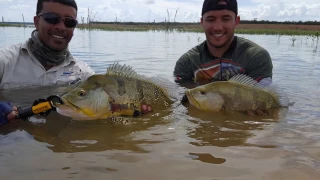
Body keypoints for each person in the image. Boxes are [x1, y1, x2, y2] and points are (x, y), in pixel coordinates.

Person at [0, 0, 95, 125]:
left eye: (69, 22)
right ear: (36, 22)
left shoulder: (84, 74)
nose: (61, 27)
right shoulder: (4, 61)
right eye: (52, 18)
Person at [174, 0, 273, 115]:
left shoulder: (257, 56)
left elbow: (268, 99)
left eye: (226, 19)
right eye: (210, 19)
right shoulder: (186, 62)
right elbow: (179, 103)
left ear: (236, 21)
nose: (218, 27)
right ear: (202, 22)